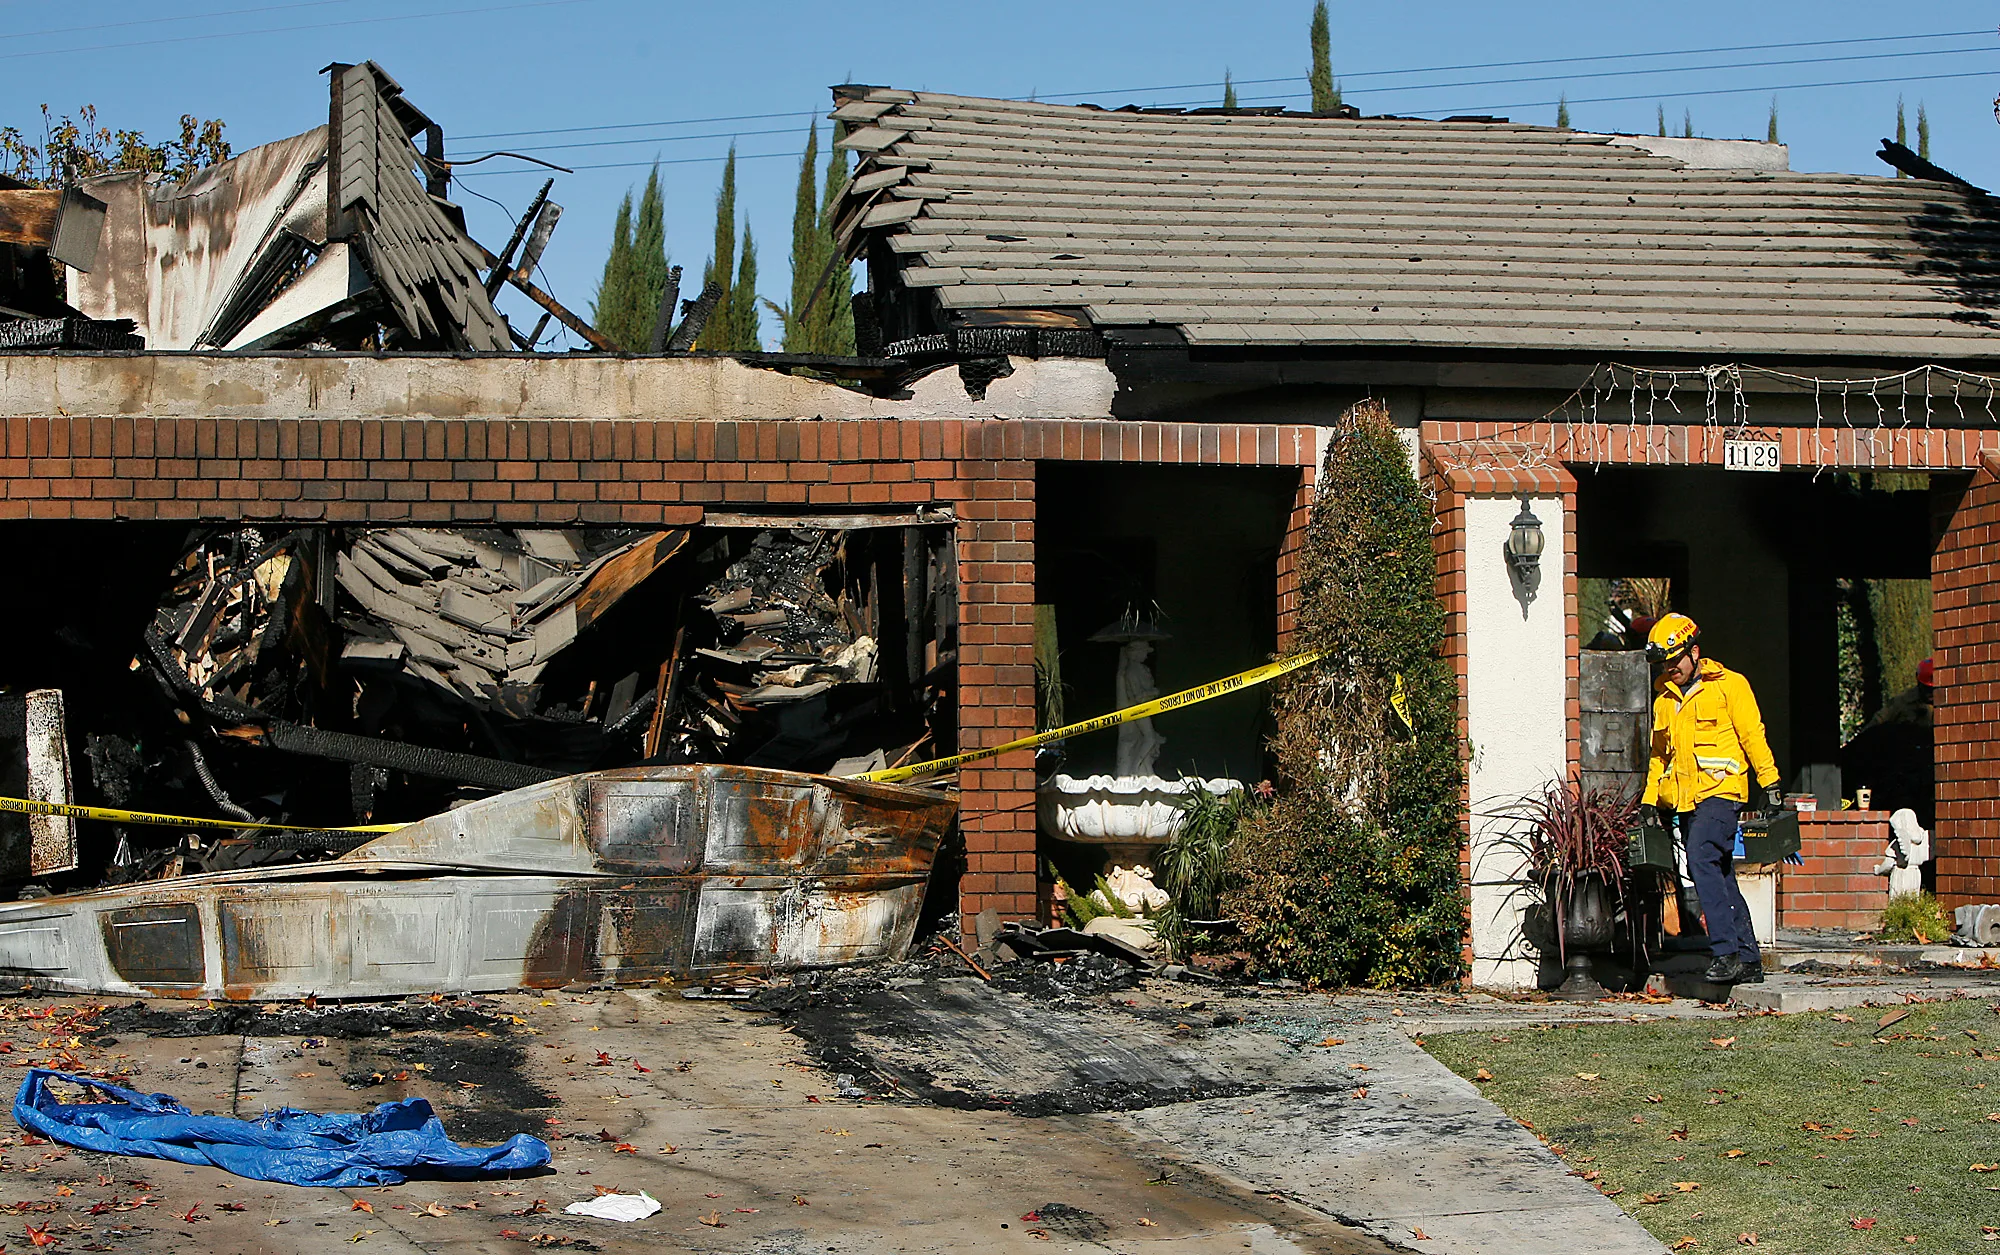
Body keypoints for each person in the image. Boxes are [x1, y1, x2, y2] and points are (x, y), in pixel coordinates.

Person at [1641, 613, 1782, 985]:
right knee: (1719, 872)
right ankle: (1749, 959)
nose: (1671, 669)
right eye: (1664, 663)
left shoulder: (1729, 687)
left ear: (1695, 652)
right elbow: (1660, 757)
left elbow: (1753, 735)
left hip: (1722, 793)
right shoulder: (1664, 701)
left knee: (1701, 858)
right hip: (1685, 800)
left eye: (1676, 661)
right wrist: (1648, 799)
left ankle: (1725, 952)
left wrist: (1770, 784)